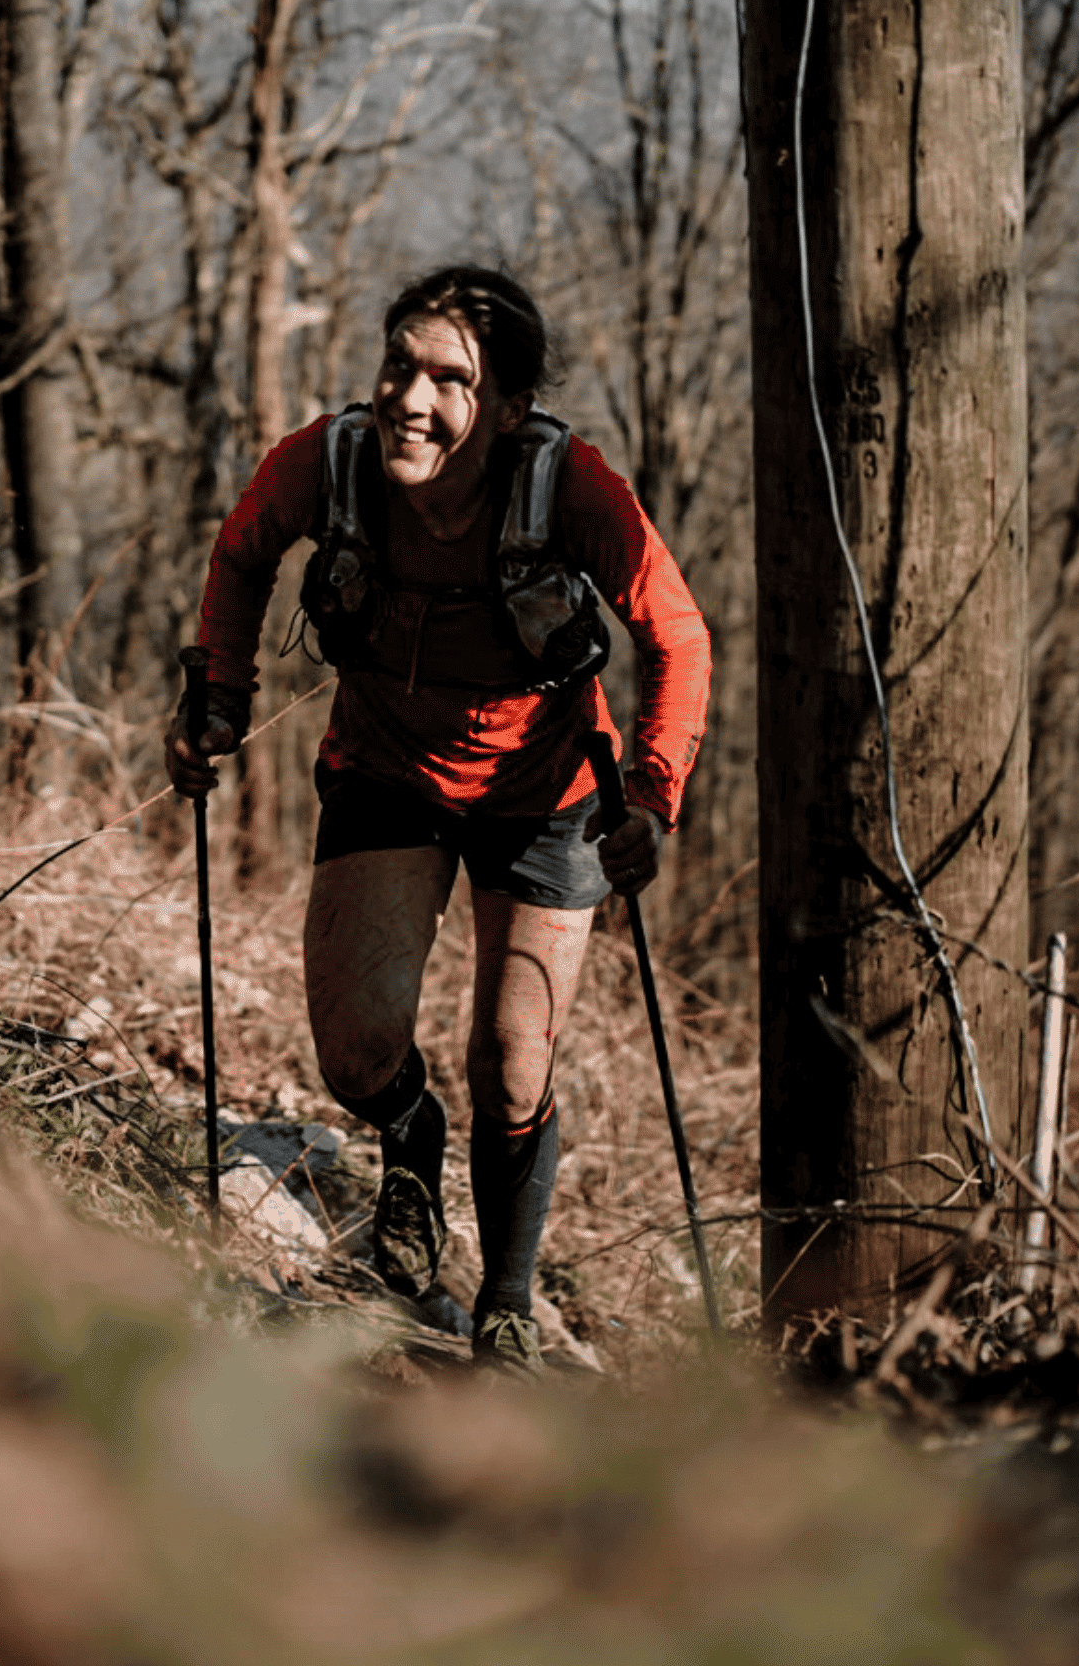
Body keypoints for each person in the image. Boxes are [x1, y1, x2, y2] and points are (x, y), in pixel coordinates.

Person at [166, 266, 712, 1368]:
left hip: (548, 796)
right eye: (398, 366)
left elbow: (679, 633)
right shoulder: (327, 463)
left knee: (515, 1059)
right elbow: (242, 549)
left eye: (449, 379)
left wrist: (651, 793)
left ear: (507, 407)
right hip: (386, 767)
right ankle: (410, 1136)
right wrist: (221, 695)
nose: (409, 397)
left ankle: (505, 1299)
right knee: (355, 1047)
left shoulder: (573, 489)